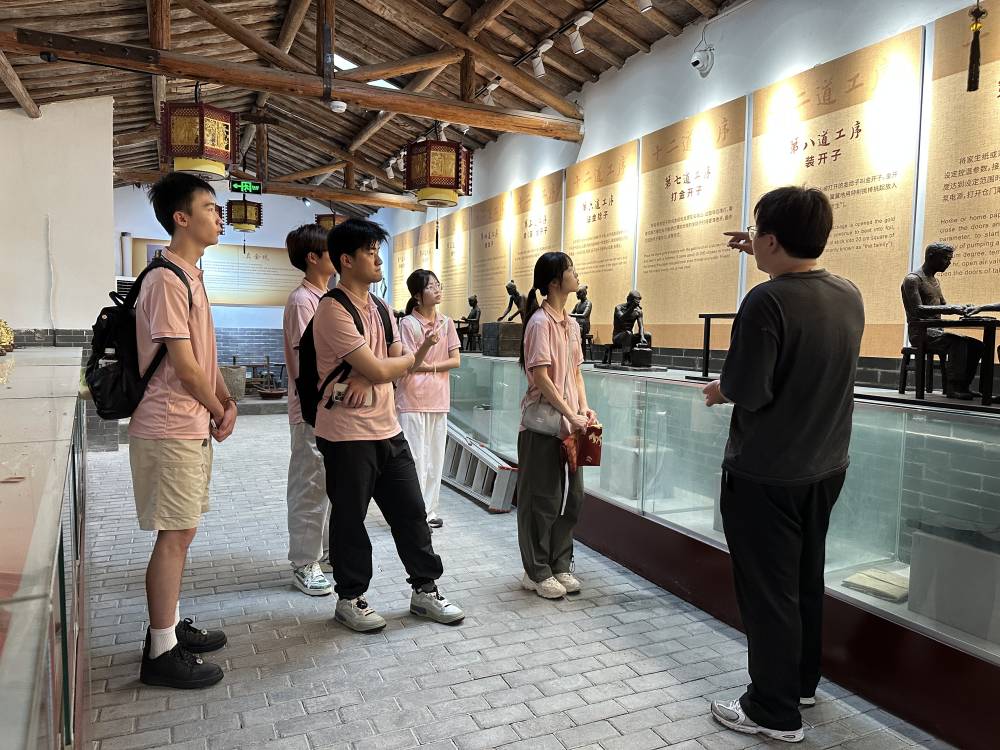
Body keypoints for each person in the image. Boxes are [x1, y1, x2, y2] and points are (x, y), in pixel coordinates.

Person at [704, 187, 865, 743]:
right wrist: (761, 246)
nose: (753, 243)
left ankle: (772, 711)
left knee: (768, 592)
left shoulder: (765, 301)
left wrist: (719, 390)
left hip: (766, 472)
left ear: (771, 241)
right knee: (803, 579)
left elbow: (749, 388)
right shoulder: (848, 294)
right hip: (825, 466)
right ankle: (799, 683)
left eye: (758, 235)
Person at [312, 219, 464, 632]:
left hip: (387, 428)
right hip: (346, 434)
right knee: (350, 519)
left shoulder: (380, 307)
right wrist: (379, 370)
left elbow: (397, 364)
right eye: (370, 251)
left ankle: (425, 590)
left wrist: (374, 373)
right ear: (346, 260)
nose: (379, 259)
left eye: (378, 250)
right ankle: (350, 598)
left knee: (412, 512)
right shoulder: (332, 309)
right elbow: (391, 366)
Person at [130, 173, 237, 689]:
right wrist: (218, 409)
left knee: (183, 531)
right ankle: (160, 651)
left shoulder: (191, 275)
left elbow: (205, 357)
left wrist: (226, 402)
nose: (219, 217)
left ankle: (169, 628)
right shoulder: (166, 279)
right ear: (181, 217)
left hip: (188, 423)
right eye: (210, 208)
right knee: (173, 536)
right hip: (169, 423)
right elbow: (185, 367)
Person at [517, 252, 598, 599]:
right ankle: (536, 571)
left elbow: (576, 373)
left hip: (570, 426)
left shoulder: (572, 324)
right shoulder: (539, 323)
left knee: (573, 498)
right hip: (543, 427)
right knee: (543, 500)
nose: (576, 274)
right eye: (570, 270)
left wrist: (584, 408)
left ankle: (560, 563)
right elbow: (541, 378)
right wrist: (569, 413)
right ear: (553, 282)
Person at [282, 224, 335, 597]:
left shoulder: (326, 297)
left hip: (331, 408)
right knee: (310, 484)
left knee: (328, 484)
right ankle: (304, 563)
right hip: (311, 408)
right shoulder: (304, 301)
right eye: (330, 250)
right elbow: (310, 361)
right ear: (313, 258)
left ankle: (325, 554)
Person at [397, 270, 462, 529]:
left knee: (435, 460)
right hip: (412, 399)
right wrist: (426, 347)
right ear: (417, 295)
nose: (437, 289)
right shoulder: (407, 324)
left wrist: (430, 367)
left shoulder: (447, 322)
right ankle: (412, 513)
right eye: (430, 286)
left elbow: (456, 360)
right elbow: (410, 364)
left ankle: (430, 510)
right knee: (415, 459)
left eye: (438, 285)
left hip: (438, 398)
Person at [901, 243, 983, 399]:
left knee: (976, 345)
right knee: (957, 343)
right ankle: (953, 387)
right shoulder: (913, 279)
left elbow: (943, 305)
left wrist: (963, 308)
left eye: (950, 259)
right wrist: (952, 309)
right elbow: (918, 309)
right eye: (945, 258)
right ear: (931, 257)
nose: (949, 263)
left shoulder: (935, 281)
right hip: (920, 333)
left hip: (936, 332)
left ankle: (964, 386)